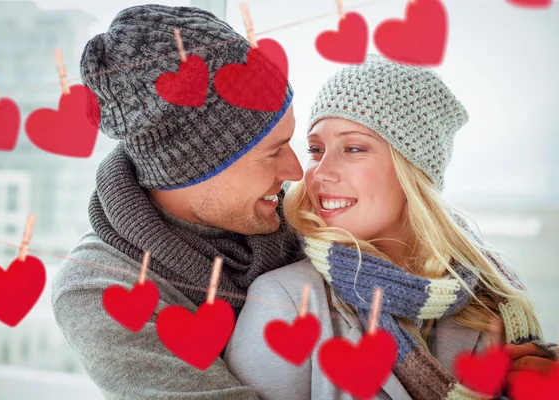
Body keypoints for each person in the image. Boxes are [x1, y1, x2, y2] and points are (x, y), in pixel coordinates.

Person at [224, 54, 558, 400]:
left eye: (353, 148)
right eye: (316, 149)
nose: (320, 172)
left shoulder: (493, 295)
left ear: (413, 170)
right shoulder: (286, 301)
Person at [51, 5, 305, 400]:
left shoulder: (306, 220)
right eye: (273, 152)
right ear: (194, 168)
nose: (296, 171)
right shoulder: (104, 288)